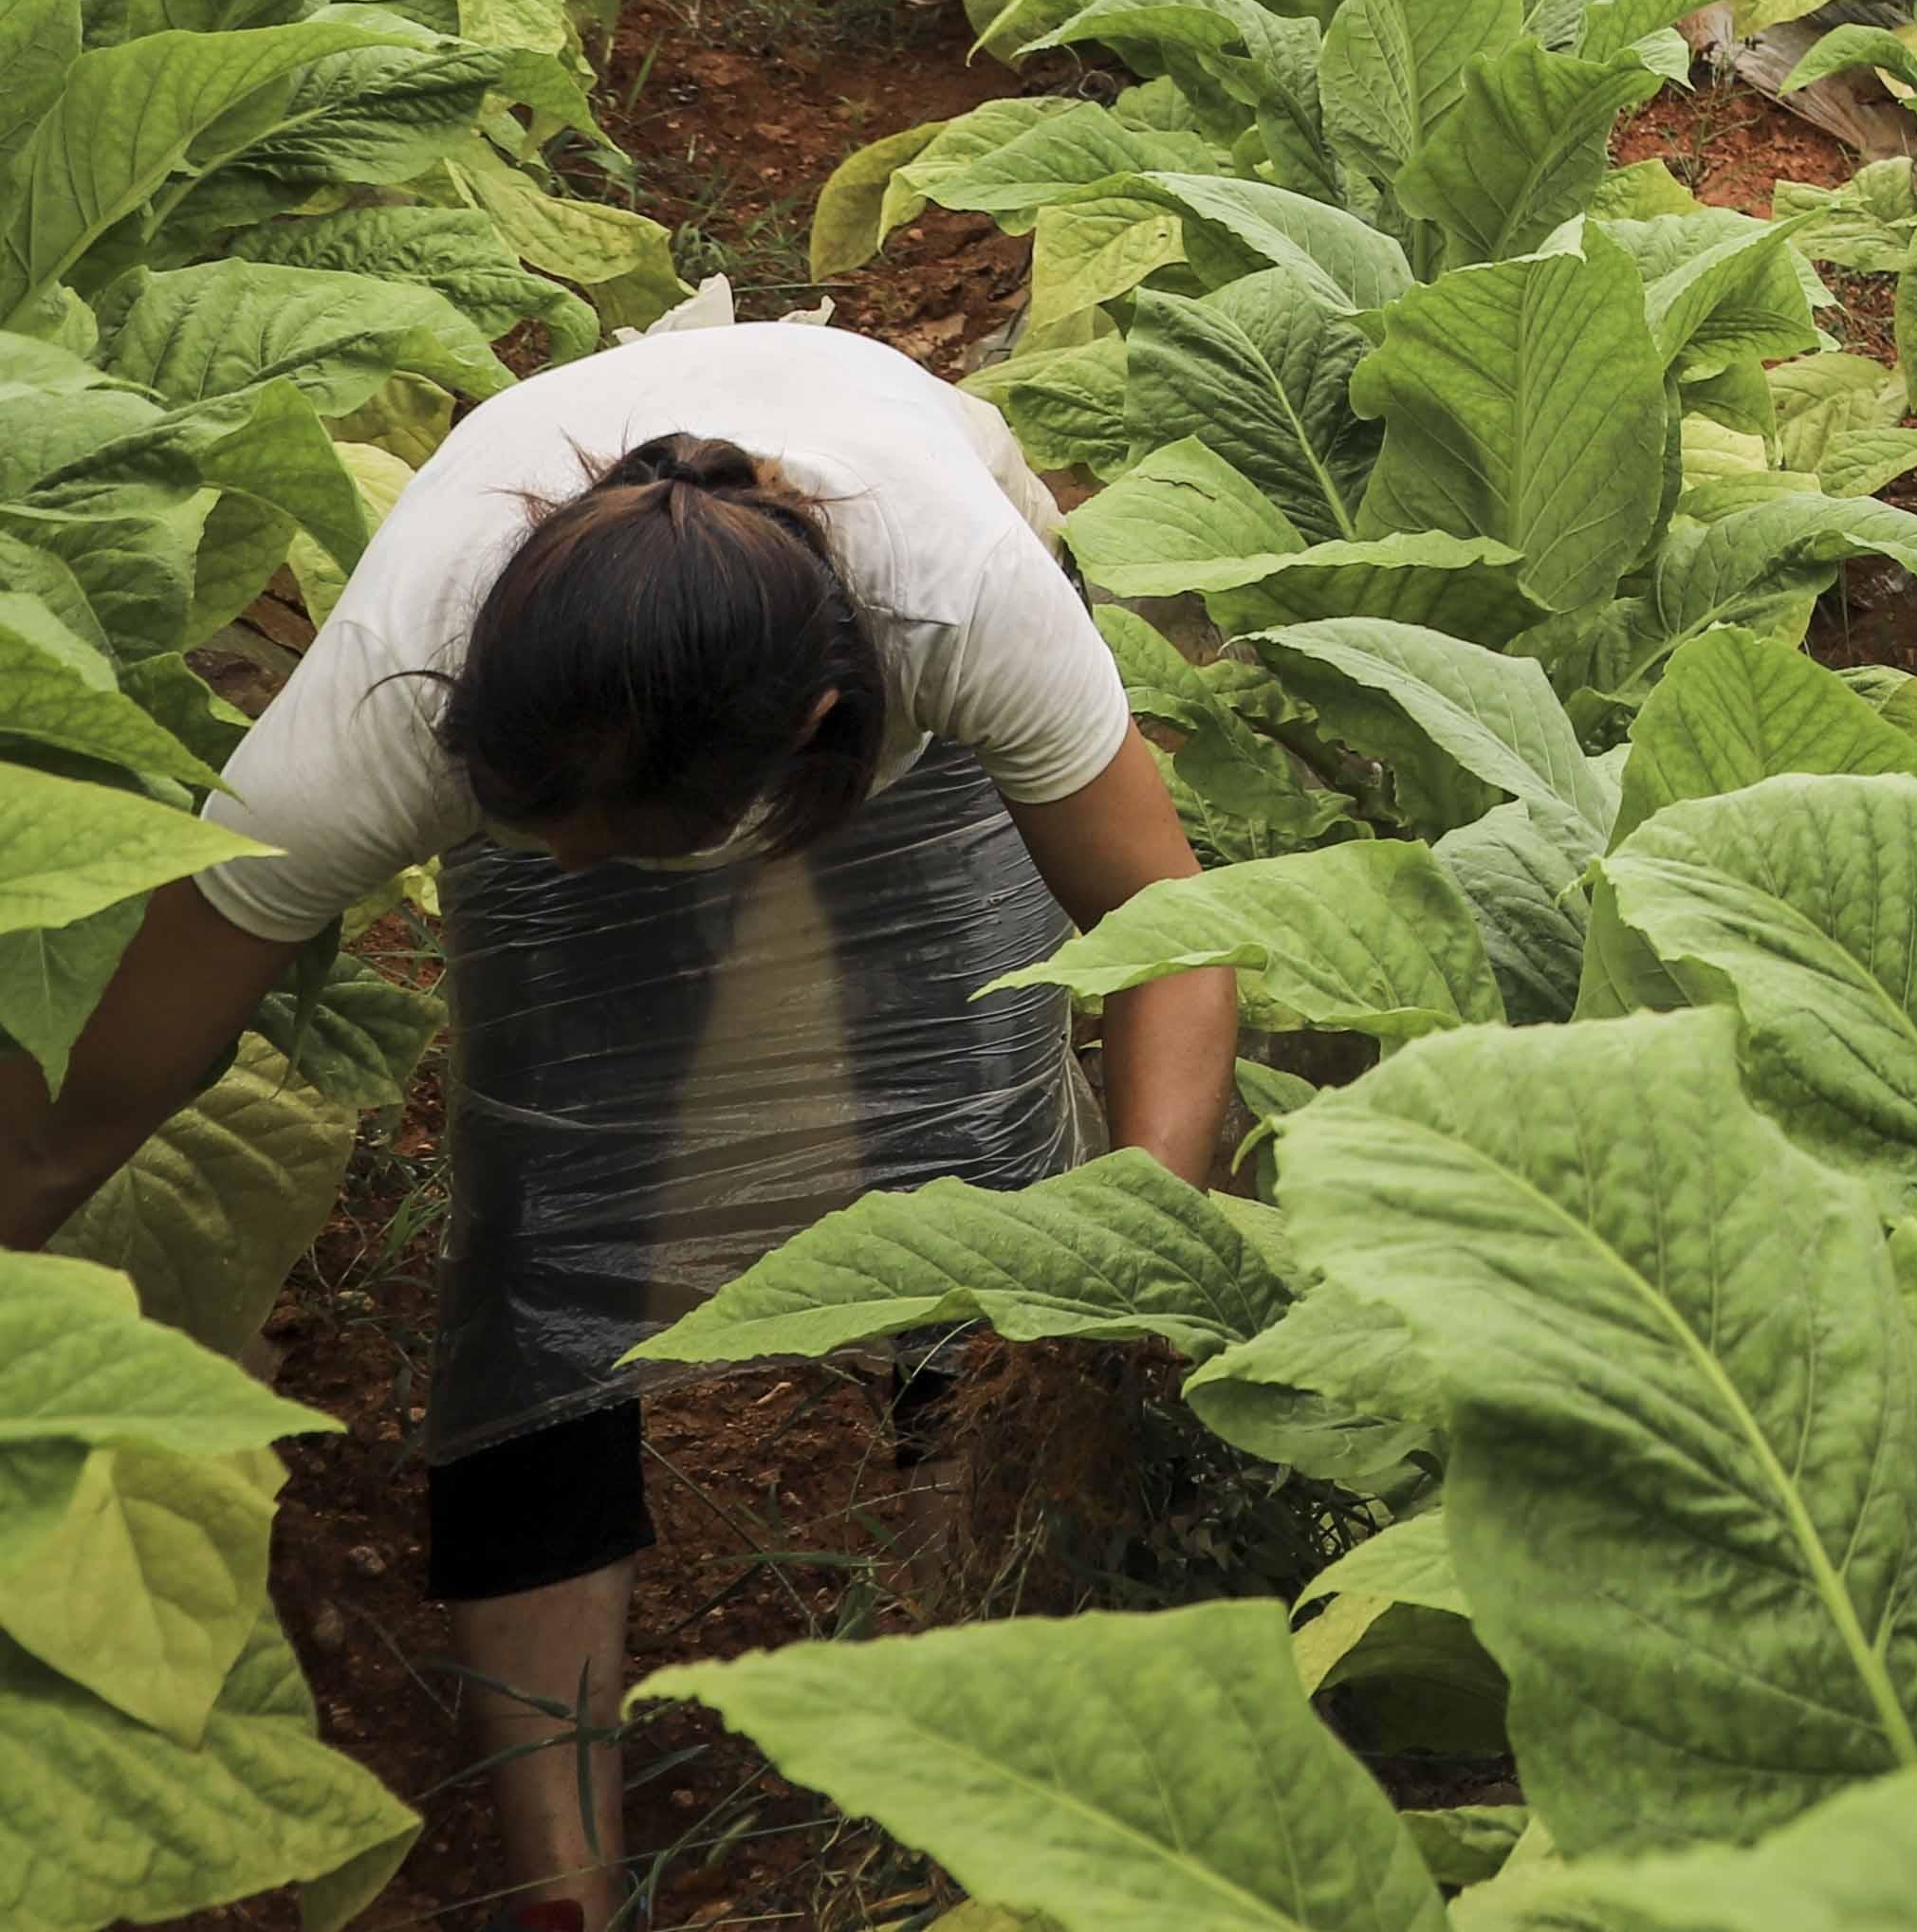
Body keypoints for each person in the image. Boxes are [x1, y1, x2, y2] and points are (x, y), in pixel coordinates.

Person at [0, 307, 1238, 1932]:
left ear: (794, 751)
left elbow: (1171, 933)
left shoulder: (961, 599)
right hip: (613, 699)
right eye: (534, 831)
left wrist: (1129, 1245)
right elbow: (82, 1105)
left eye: (605, 844)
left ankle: (999, 1724)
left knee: (974, 1173)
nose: (569, 869)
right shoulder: (399, 699)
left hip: (898, 713)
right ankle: (562, 1888)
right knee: (547, 1256)